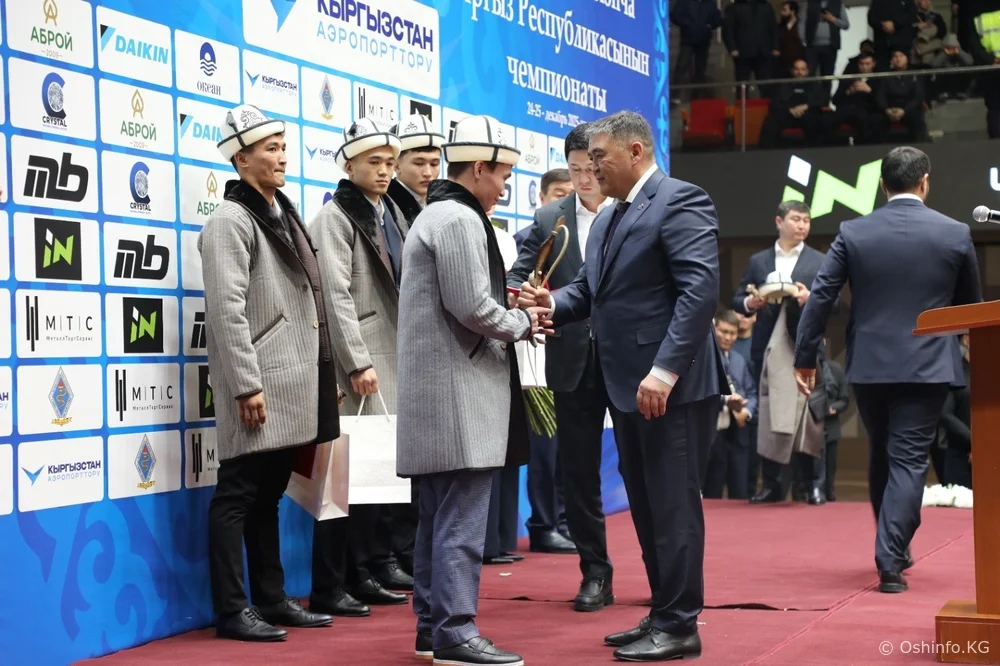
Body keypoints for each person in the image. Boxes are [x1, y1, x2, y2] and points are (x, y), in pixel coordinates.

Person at [519, 110, 726, 662]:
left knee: (673, 507)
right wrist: (550, 303)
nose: (591, 170)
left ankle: (680, 625)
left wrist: (665, 371)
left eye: (599, 159)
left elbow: (698, 293)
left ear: (635, 152)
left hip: (671, 388)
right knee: (648, 508)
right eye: (586, 161)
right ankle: (663, 612)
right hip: (628, 388)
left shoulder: (680, 200)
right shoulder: (613, 214)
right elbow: (590, 291)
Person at [396, 115, 550, 666]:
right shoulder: (459, 219)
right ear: (479, 168)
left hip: (442, 390)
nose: (506, 186)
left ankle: (432, 627)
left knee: (438, 518)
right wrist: (523, 322)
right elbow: (472, 308)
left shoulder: (438, 215)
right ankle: (455, 631)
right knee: (460, 522)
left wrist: (509, 310)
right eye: (503, 174)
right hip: (460, 393)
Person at [794, 146, 982, 593]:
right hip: (929, 363)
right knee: (909, 459)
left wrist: (805, 357)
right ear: (925, 182)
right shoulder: (955, 232)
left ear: (882, 185)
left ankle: (892, 545)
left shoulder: (853, 231)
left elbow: (821, 295)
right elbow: (971, 307)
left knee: (883, 452)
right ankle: (891, 554)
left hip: (870, 365)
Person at [200, 104, 336, 640]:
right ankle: (233, 610)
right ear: (240, 159)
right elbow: (226, 309)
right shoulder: (230, 220)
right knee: (236, 494)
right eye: (270, 149)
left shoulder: (282, 210)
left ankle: (272, 599)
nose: (282, 157)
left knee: (268, 495)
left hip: (292, 379)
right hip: (260, 382)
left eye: (283, 148)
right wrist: (245, 384)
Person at [508, 121, 615, 610]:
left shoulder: (632, 209)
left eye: (592, 168)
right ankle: (594, 573)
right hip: (569, 358)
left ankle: (664, 575)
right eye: (575, 170)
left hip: (627, 359)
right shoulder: (551, 217)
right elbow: (518, 275)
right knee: (578, 473)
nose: (585, 179)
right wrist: (524, 296)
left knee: (644, 472)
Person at [308, 117, 411, 614]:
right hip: (360, 365)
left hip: (391, 357)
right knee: (342, 482)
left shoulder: (390, 212)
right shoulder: (334, 217)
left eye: (390, 162)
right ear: (348, 166)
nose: (385, 171)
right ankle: (331, 585)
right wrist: (356, 361)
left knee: (374, 476)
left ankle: (366, 570)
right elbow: (334, 295)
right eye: (374, 162)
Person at [733, 200, 833, 505]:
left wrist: (811, 298)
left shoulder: (821, 260)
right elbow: (738, 298)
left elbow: (837, 304)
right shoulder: (759, 261)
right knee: (769, 414)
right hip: (767, 348)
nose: (802, 225)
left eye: (806, 220)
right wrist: (751, 303)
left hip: (805, 346)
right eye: (796, 219)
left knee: (809, 415)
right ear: (779, 222)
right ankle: (772, 485)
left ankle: (812, 485)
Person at [383, 113, 447, 577]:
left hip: (424, 347)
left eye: (434, 162)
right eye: (418, 162)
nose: (428, 171)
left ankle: (408, 551)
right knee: (397, 463)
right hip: (394, 346)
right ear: (398, 163)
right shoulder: (388, 208)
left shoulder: (432, 207)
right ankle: (394, 553)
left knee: (420, 465)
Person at [703, 311, 758, 500]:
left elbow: (752, 393)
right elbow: (703, 390)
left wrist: (746, 411)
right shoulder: (704, 358)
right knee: (711, 492)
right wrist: (727, 401)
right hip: (711, 433)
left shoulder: (739, 360)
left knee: (740, 493)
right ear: (715, 329)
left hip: (737, 434)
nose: (728, 337)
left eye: (733, 333)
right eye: (724, 331)